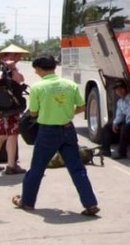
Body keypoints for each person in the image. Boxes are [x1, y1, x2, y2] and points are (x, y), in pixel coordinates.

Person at [11, 55, 99, 216]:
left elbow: (33, 112)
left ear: (39, 69)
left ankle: (27, 201)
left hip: (47, 132)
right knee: (77, 168)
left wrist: (48, 112)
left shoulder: (38, 88)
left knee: (37, 168)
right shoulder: (70, 85)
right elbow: (81, 106)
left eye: (36, 69)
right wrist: (66, 113)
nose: (36, 72)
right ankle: (90, 203)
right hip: (68, 130)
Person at [0, 44, 29, 175]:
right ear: (10, 55)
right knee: (12, 134)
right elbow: (19, 80)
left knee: (2, 134)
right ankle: (11, 165)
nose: (20, 57)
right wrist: (13, 68)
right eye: (18, 55)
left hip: (0, 106)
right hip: (11, 107)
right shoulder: (8, 69)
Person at [99, 79, 130, 159]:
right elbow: (119, 115)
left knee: (125, 128)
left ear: (125, 89)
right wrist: (115, 123)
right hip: (127, 121)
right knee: (107, 127)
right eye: (117, 90)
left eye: (121, 89)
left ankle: (122, 153)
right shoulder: (120, 102)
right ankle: (105, 150)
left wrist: (122, 123)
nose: (119, 91)